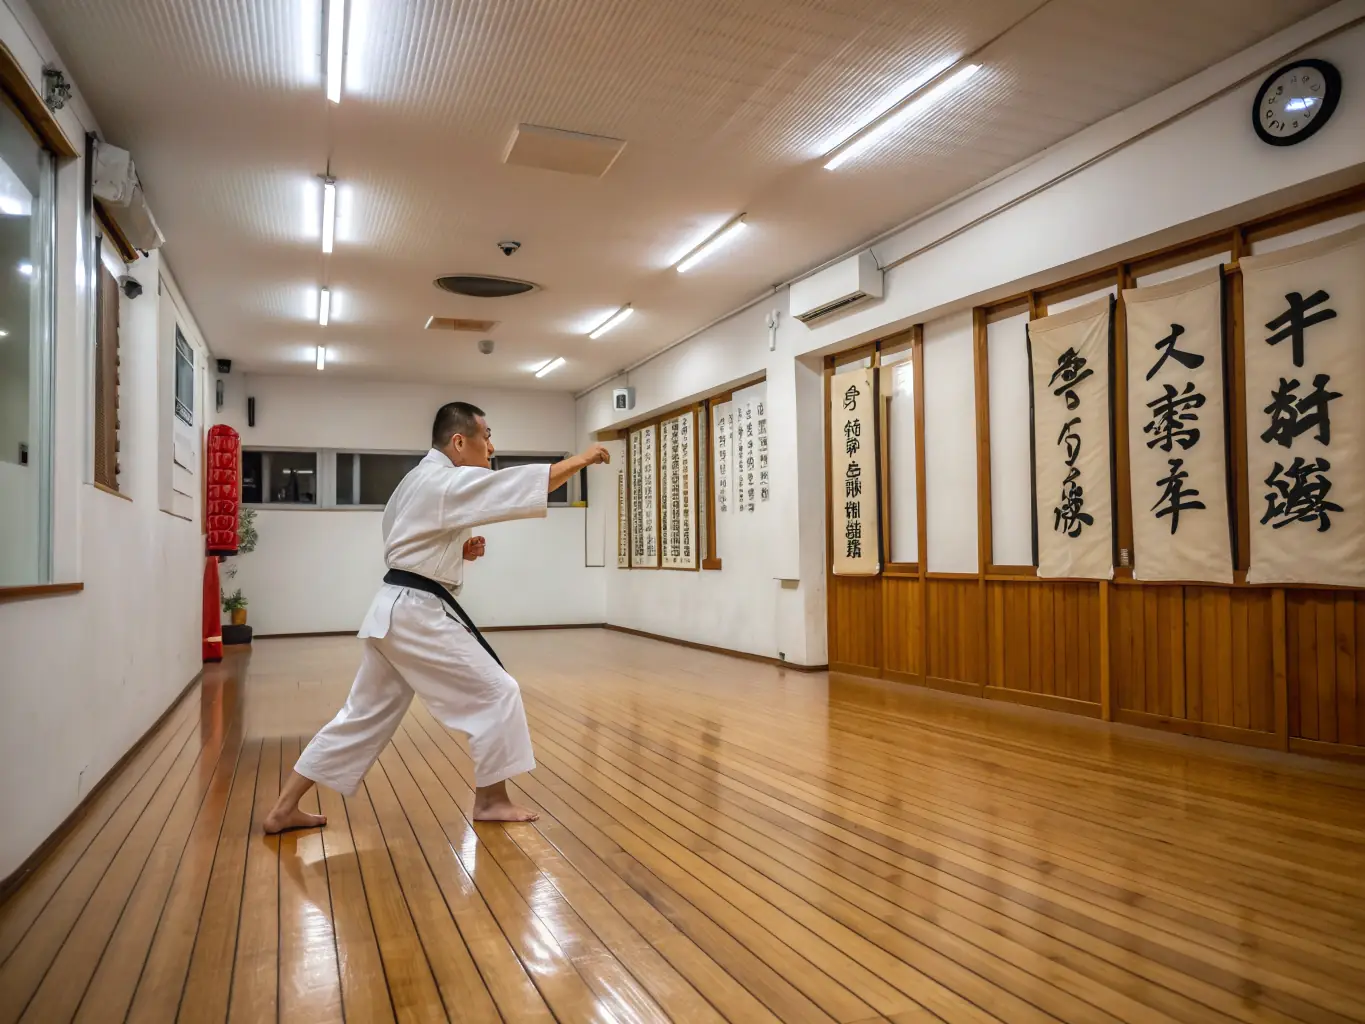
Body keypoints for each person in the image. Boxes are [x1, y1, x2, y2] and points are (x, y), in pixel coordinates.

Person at [264, 401, 610, 832]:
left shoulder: (414, 480)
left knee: (361, 716)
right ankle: (492, 799)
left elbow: (406, 538)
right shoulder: (444, 481)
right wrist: (578, 459)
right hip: (414, 613)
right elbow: (510, 487)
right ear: (459, 441)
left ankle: (283, 809)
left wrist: (454, 551)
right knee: (498, 691)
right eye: (486, 436)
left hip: (392, 609)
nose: (491, 447)